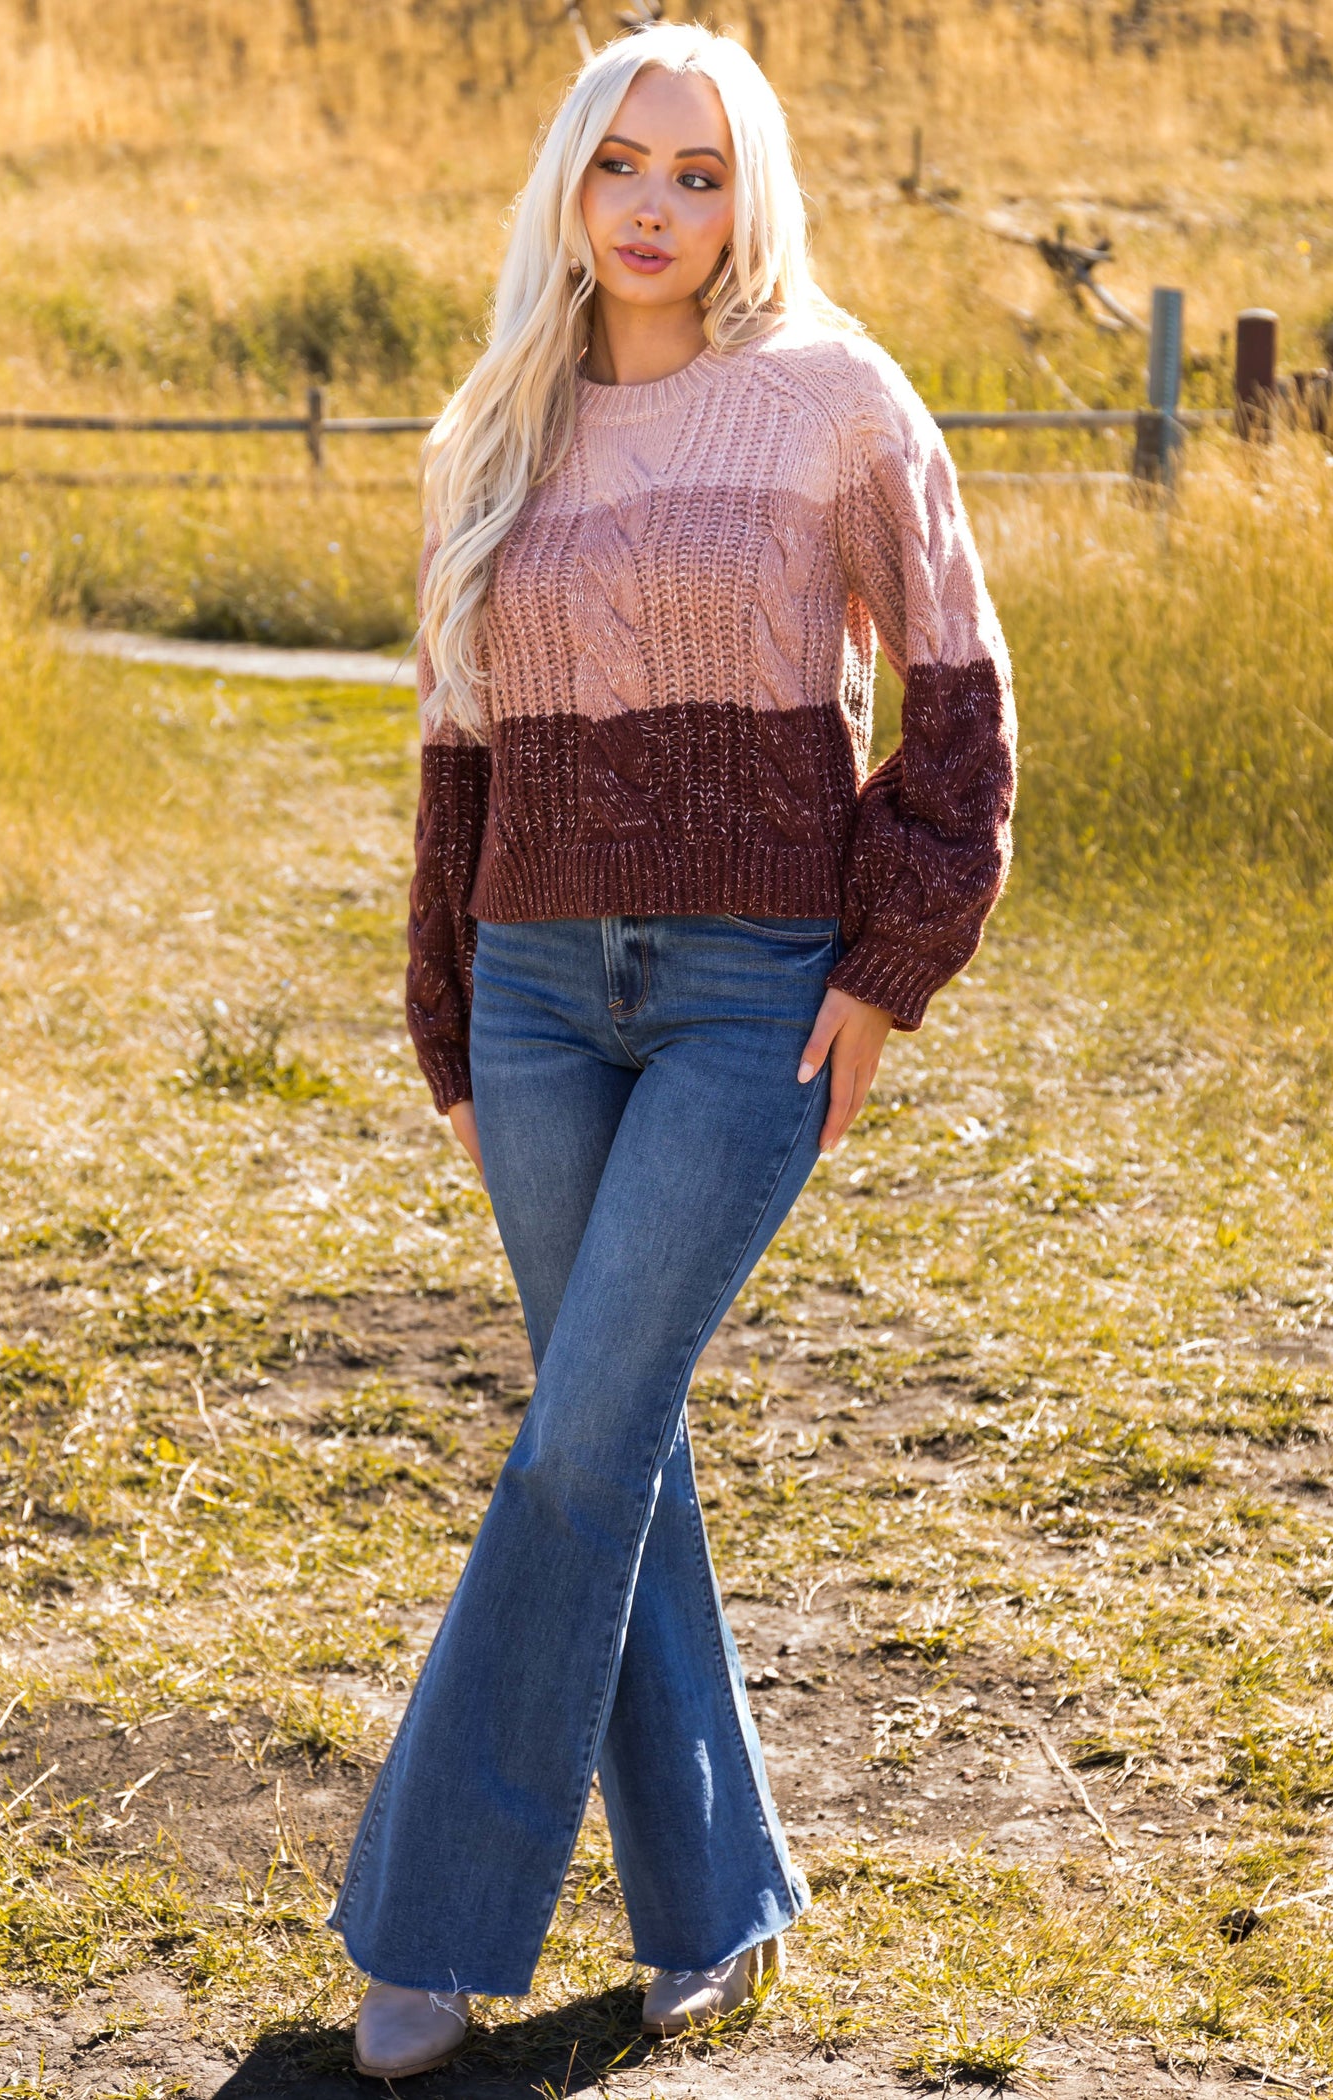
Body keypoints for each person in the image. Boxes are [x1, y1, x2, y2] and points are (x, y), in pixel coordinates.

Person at [327, 20, 1015, 2081]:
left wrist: (886, 966)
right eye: (620, 164)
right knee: (611, 1438)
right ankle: (713, 1911)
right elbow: (454, 761)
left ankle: (430, 1931)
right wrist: (448, 1019)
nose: (653, 205)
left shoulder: (833, 404)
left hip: (748, 994)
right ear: (565, 184)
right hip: (535, 997)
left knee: (576, 1440)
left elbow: (958, 713)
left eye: (697, 172)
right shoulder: (494, 432)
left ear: (751, 194)